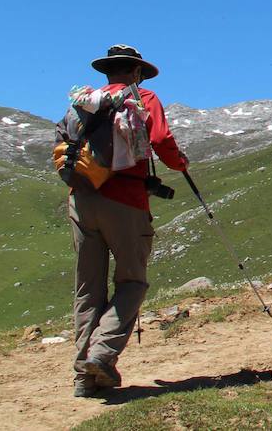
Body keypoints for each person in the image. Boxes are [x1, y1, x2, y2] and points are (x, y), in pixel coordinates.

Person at [67, 45, 188, 398]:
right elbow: (162, 140)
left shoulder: (87, 101)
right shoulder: (143, 97)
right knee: (132, 281)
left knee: (88, 288)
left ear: (107, 73)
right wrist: (179, 163)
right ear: (135, 72)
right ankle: (102, 356)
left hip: (81, 198)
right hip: (125, 200)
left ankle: (83, 377)